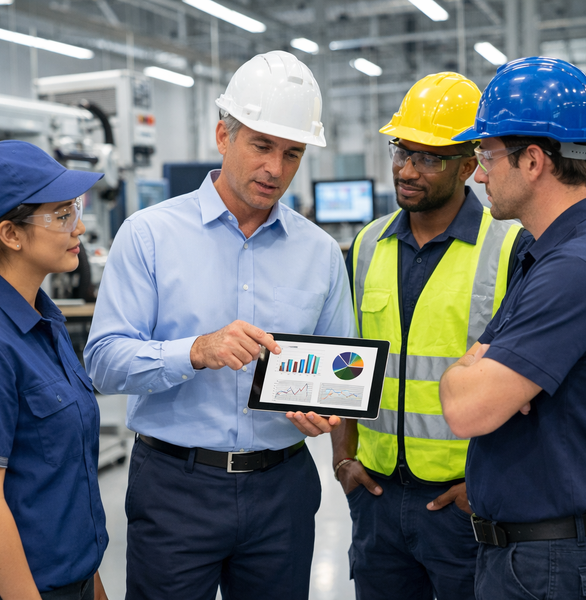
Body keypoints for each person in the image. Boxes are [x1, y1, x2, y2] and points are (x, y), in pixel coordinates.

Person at [84, 50, 355, 600]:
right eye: (261, 145)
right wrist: (195, 351)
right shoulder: (148, 235)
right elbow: (103, 362)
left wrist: (324, 407)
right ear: (223, 135)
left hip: (284, 487)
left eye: (292, 153)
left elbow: (340, 368)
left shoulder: (321, 253)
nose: (275, 168)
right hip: (175, 488)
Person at [331, 72, 530, 600]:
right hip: (374, 500)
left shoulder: (509, 247)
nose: (407, 170)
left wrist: (485, 489)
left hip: (461, 507)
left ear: (470, 165)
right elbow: (348, 354)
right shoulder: (368, 244)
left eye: (430, 158)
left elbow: (530, 383)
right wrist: (342, 456)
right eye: (402, 152)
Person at [440, 56, 586, 600]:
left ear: (532, 161)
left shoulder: (575, 269)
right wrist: (485, 371)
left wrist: (473, 369)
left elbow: (466, 407)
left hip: (553, 562)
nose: (478, 173)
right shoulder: (539, 251)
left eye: (486, 154)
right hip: (524, 554)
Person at [0, 141, 108, 599]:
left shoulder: (45, 319)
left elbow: (65, 484)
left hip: (76, 580)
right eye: (61, 216)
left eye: (74, 210)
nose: (79, 227)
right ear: (11, 234)